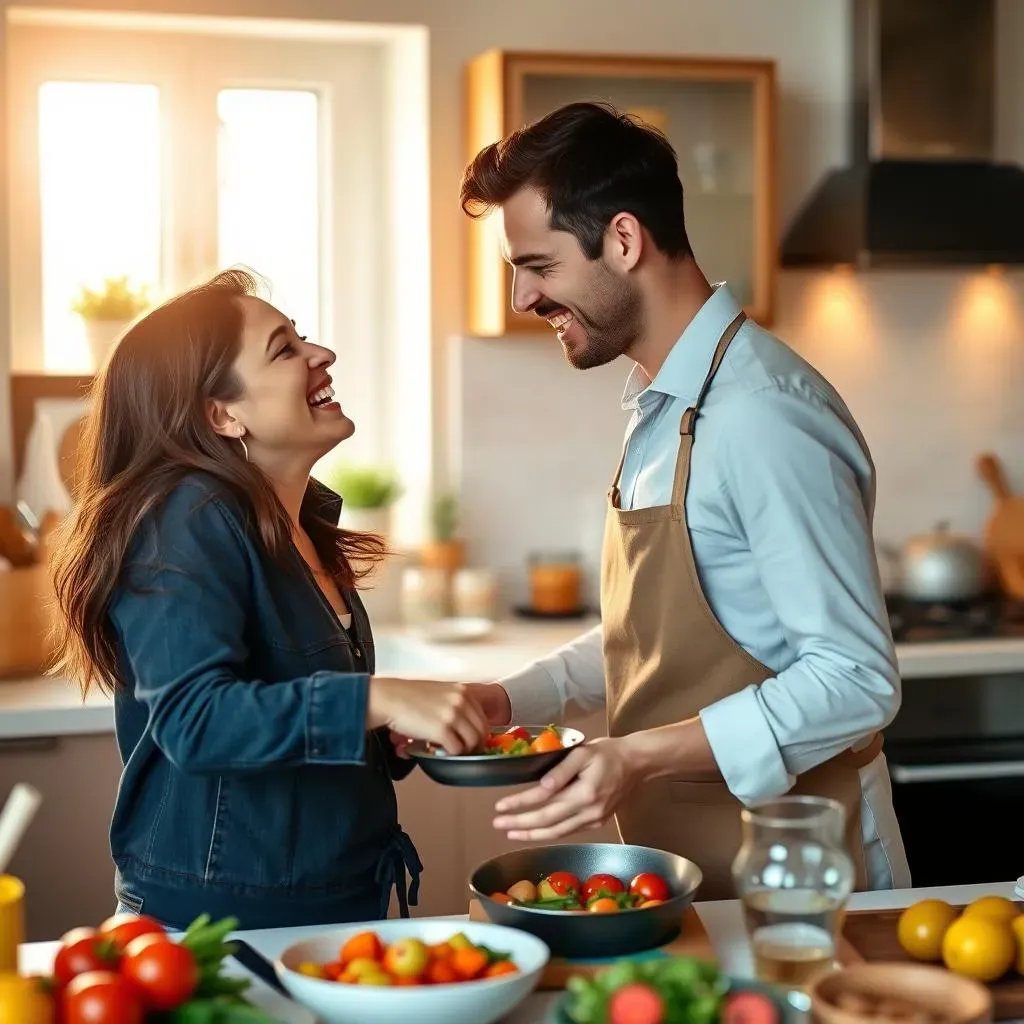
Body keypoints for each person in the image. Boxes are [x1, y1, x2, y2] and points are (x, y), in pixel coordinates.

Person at [456, 101, 911, 897]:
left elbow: (855, 677)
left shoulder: (763, 413)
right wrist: (508, 698)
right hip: (696, 859)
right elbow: (655, 639)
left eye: (539, 265)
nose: (524, 299)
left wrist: (636, 755)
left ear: (624, 241)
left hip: (806, 866)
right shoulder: (667, 407)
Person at [49, 268, 491, 929]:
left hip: (330, 911)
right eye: (284, 349)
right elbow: (195, 720)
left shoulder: (296, 526)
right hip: (214, 930)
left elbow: (287, 718)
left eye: (302, 337)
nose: (322, 356)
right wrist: (378, 697)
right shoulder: (185, 516)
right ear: (221, 414)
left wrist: (387, 730)